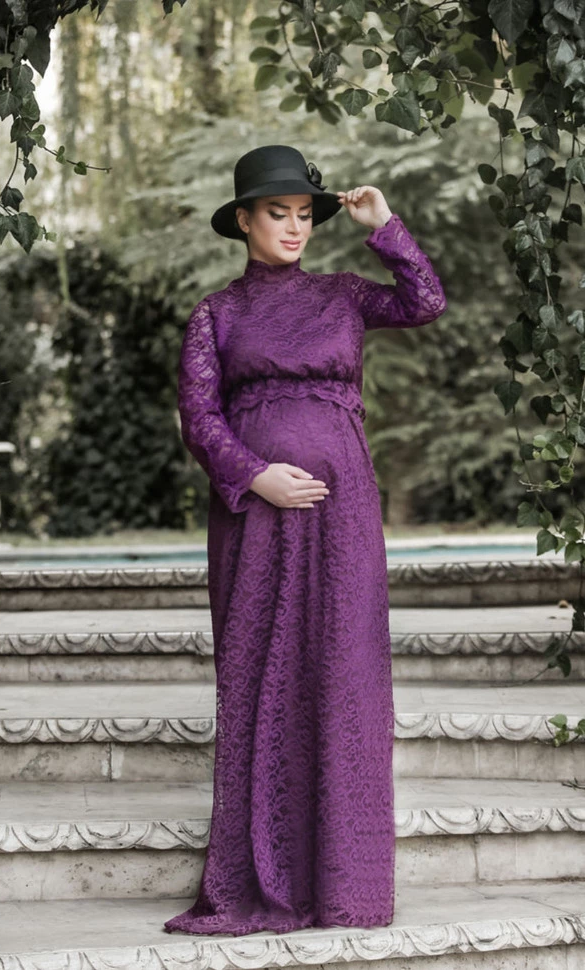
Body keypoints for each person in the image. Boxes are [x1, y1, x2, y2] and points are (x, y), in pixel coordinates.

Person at [163, 144, 447, 937]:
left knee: (342, 669)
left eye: (303, 215)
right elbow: (200, 419)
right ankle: (265, 877)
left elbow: (425, 300)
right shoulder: (216, 314)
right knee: (260, 673)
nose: (293, 228)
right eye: (276, 214)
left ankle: (346, 886)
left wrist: (382, 223)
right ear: (243, 220)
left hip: (342, 509)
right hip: (254, 512)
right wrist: (256, 475)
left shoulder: (344, 295)